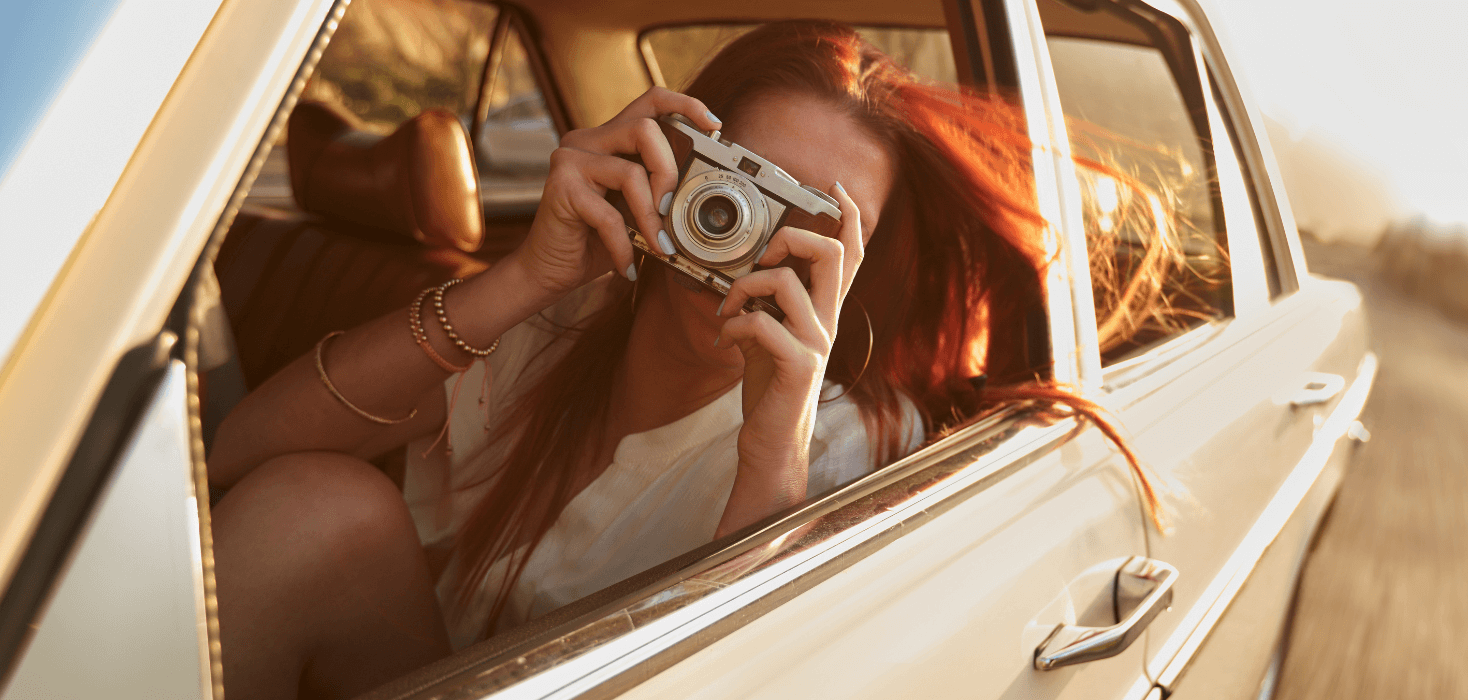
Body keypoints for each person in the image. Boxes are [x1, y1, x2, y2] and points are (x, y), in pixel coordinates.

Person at [206, 20, 1179, 700]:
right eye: (737, 184)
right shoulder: (559, 319)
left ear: (861, 269)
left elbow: (760, 680)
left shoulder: (847, 442)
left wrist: (771, 447)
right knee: (305, 509)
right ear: (671, 159)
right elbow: (239, 461)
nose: (746, 235)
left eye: (811, 222)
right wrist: (519, 281)